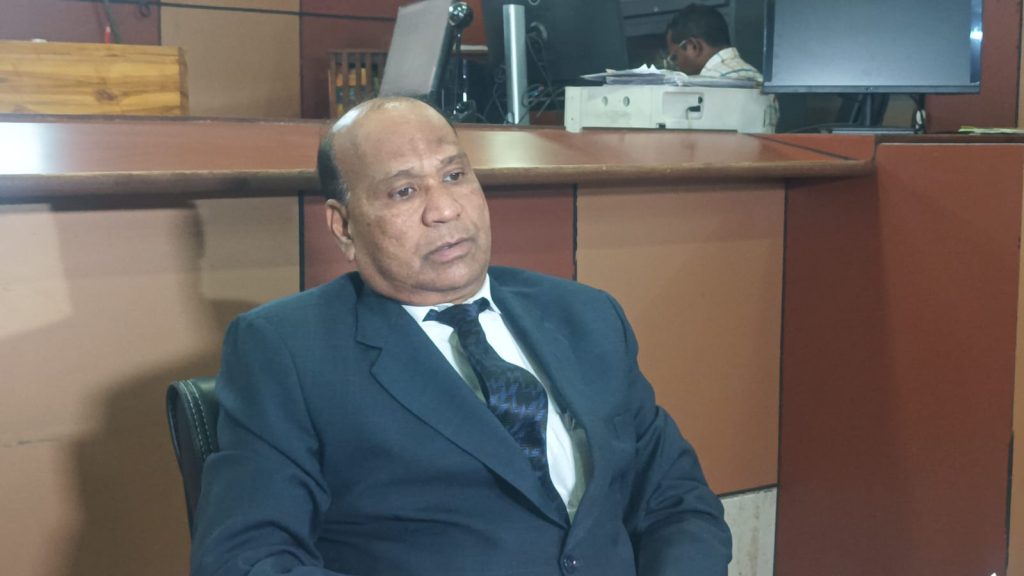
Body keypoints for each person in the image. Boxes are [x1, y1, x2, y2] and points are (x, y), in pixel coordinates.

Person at [191, 96, 732, 576]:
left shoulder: (585, 316)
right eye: (404, 191)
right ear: (344, 226)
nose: (445, 210)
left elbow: (676, 501)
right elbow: (248, 559)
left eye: (454, 176)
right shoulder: (287, 350)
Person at [665, 4, 762, 81]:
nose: (676, 66)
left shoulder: (708, 85)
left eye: (674, 58)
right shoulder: (757, 77)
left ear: (693, 46)